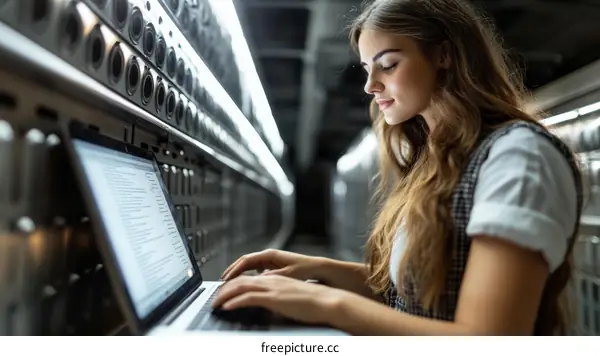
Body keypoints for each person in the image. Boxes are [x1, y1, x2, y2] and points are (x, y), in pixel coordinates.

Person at [212, 0, 583, 336]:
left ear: (444, 56)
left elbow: (486, 339)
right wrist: (320, 269)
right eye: (366, 69)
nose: (371, 86)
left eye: (388, 65)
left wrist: (329, 303)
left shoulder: (519, 157)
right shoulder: (435, 159)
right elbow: (412, 300)